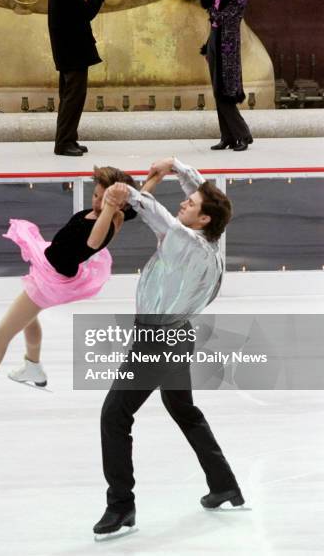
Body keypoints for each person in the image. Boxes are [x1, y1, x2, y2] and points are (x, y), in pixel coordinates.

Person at [93, 157, 244, 537]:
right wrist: (178, 167)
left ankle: (121, 506)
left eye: (190, 206)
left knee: (114, 416)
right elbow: (204, 193)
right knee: (184, 410)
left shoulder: (189, 243)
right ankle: (224, 484)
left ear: (203, 219)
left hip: (156, 342)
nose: (185, 204)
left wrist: (129, 192)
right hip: (177, 336)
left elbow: (159, 216)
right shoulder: (212, 233)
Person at [0, 167, 137, 419]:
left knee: (0, 337)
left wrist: (112, 205)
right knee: (30, 316)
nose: (95, 200)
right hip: (49, 267)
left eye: (103, 199)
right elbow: (137, 200)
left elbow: (93, 241)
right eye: (96, 194)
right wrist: (154, 179)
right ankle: (33, 366)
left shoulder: (107, 222)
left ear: (117, 206)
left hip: (51, 281)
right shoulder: (107, 213)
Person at [48, 0, 104, 157]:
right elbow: (86, 14)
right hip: (72, 55)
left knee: (71, 98)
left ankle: (69, 139)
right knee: (72, 98)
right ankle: (63, 143)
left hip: (71, 54)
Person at [198, 0, 253, 152]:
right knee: (217, 92)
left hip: (227, 48)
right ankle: (227, 137)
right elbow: (213, 18)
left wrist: (208, 2)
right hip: (215, 42)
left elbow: (224, 18)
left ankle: (243, 135)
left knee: (225, 94)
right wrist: (208, 46)